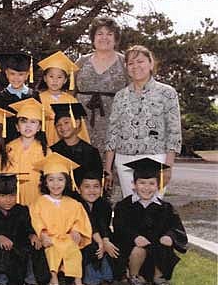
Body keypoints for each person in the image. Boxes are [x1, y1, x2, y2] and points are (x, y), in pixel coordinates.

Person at [104, 45, 182, 198]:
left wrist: (167, 167)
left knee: (152, 210)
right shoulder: (120, 96)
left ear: (151, 63)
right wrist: (107, 169)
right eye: (131, 63)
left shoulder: (167, 93)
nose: (135, 66)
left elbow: (174, 132)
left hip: (155, 158)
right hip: (124, 159)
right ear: (126, 67)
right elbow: (112, 132)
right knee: (131, 207)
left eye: (140, 61)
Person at [112, 158, 187, 285]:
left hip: (157, 254)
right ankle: (134, 276)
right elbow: (120, 227)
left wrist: (170, 236)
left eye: (151, 183)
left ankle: (159, 278)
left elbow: (176, 227)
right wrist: (134, 237)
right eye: (142, 183)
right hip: (133, 252)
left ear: (158, 185)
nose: (146, 188)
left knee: (164, 244)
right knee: (138, 249)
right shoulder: (124, 206)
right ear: (133, 185)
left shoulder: (166, 207)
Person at [30, 153, 92, 285]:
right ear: (45, 182)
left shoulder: (74, 203)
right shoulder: (39, 202)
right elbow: (36, 220)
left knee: (74, 251)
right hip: (49, 239)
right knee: (52, 250)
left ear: (66, 182)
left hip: (67, 238)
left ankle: (78, 283)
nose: (56, 184)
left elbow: (79, 220)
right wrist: (43, 234)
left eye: (60, 180)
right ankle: (54, 283)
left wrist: (76, 231)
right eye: (51, 180)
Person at [0, 173, 41, 285]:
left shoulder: (21, 210)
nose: (8, 200)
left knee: (32, 247)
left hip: (18, 247)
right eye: (2, 195)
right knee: (2, 248)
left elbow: (27, 227)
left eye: (12, 195)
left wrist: (32, 235)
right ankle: (0, 281)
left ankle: (30, 281)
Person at [75, 17, 128, 153]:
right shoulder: (81, 62)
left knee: (110, 169)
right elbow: (70, 92)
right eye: (100, 34)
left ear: (116, 39)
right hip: (82, 126)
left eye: (109, 34)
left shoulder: (125, 63)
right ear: (93, 38)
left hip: (114, 127)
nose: (104, 37)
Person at [35, 51, 90, 146]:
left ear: (65, 80)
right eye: (51, 76)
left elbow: (80, 127)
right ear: (45, 78)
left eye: (59, 77)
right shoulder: (38, 99)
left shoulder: (71, 100)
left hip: (67, 144)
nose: (55, 80)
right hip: (44, 142)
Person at [76, 171, 118, 285]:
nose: (92, 190)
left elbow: (103, 224)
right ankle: (92, 280)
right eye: (87, 187)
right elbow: (87, 224)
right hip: (82, 235)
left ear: (101, 188)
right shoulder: (77, 204)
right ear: (79, 189)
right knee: (91, 247)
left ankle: (108, 277)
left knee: (111, 245)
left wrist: (105, 240)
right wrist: (101, 240)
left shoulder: (104, 205)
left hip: (101, 234)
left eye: (96, 186)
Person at [49, 103, 102, 191]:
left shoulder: (91, 152)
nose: (62, 127)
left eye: (66, 122)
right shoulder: (53, 151)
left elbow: (96, 180)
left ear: (77, 123)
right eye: (58, 125)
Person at [6, 98, 49, 206]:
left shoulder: (46, 151)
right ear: (17, 127)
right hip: (13, 199)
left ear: (39, 127)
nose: (28, 126)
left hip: (37, 199)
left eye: (33, 122)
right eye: (23, 121)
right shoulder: (8, 148)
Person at [0, 52, 37, 142]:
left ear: (27, 75)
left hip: (31, 145)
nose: (16, 78)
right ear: (6, 74)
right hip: (8, 145)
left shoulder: (34, 96)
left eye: (21, 74)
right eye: (12, 74)